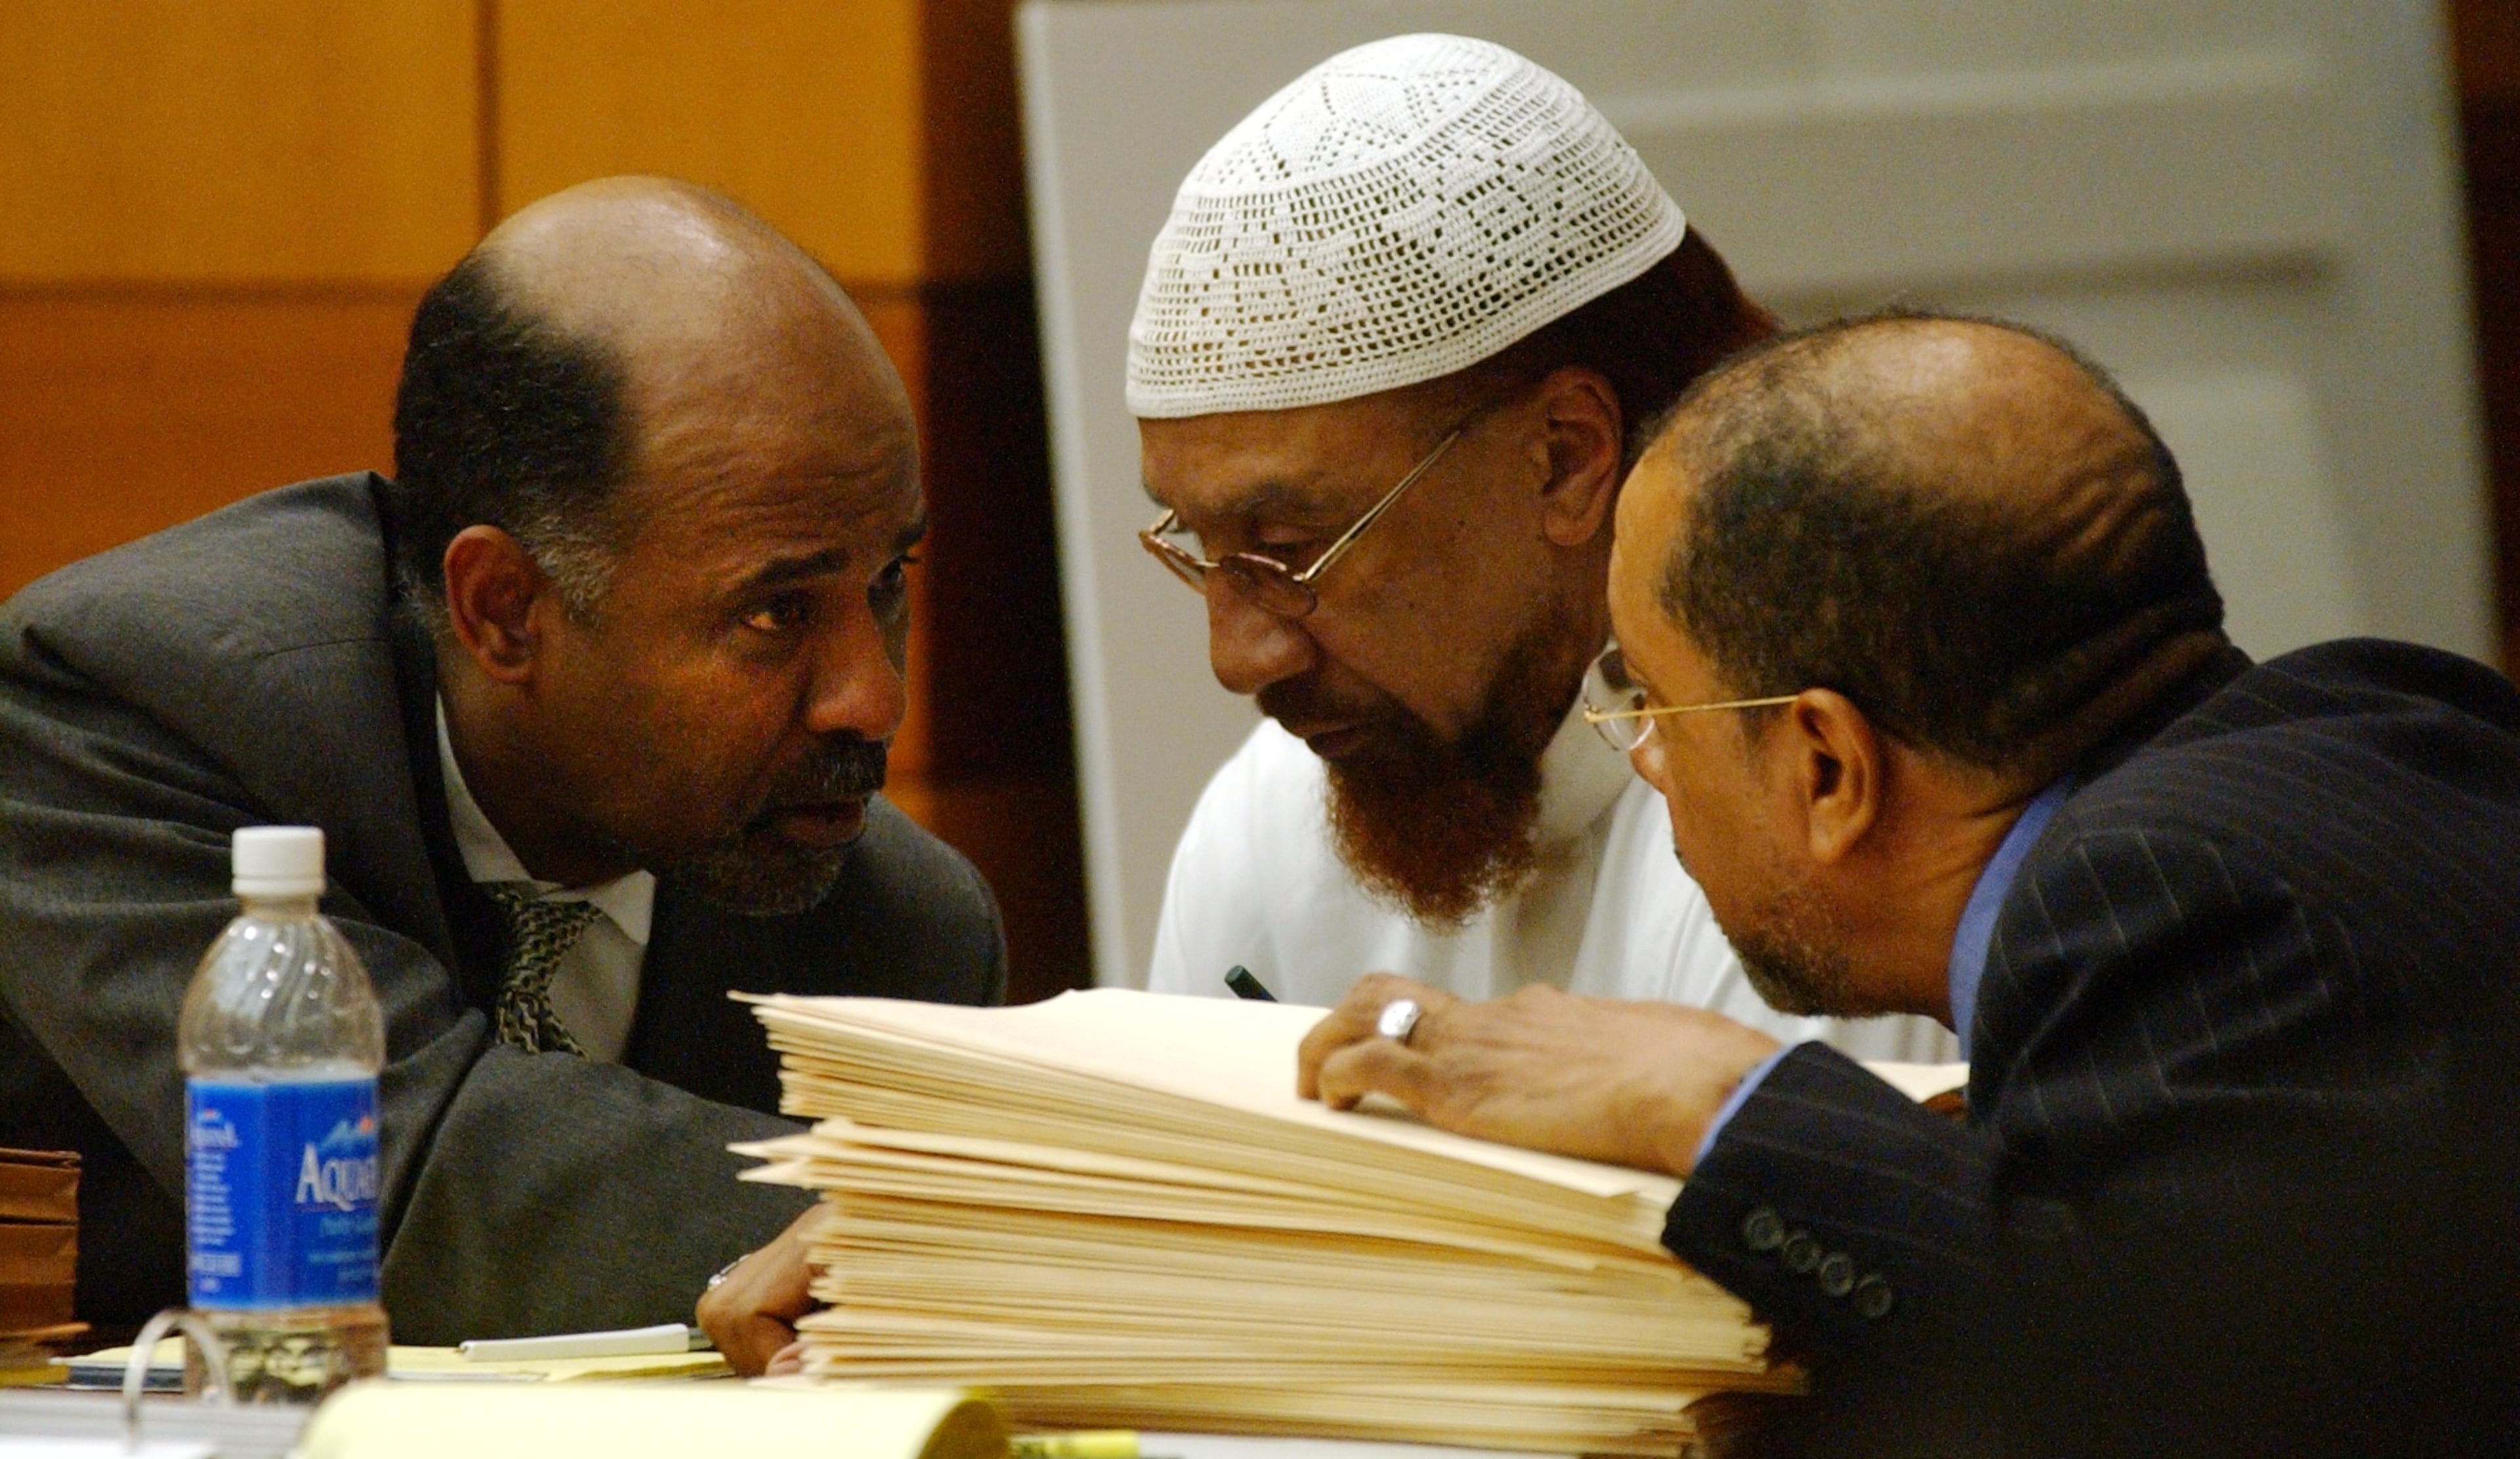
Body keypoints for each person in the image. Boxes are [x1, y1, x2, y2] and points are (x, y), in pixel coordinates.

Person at [1298, 312, 2520, 1456]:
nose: (1648, 758)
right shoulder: (2387, 717)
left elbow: (2156, 1394)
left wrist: (1715, 1101)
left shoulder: (2165, 895)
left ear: (1828, 767)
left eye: (1656, 703)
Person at [0, 179, 1004, 1354]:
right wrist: (929, 1224)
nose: (874, 698)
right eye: (777, 612)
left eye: (887, 583)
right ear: (505, 610)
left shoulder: (901, 936)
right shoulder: (133, 711)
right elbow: (406, 1185)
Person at [1129, 33, 1948, 1061]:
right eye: (1197, 546)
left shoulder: (1820, 822)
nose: (1238, 657)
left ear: (1564, 460)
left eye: (1287, 548)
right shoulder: (1269, 822)